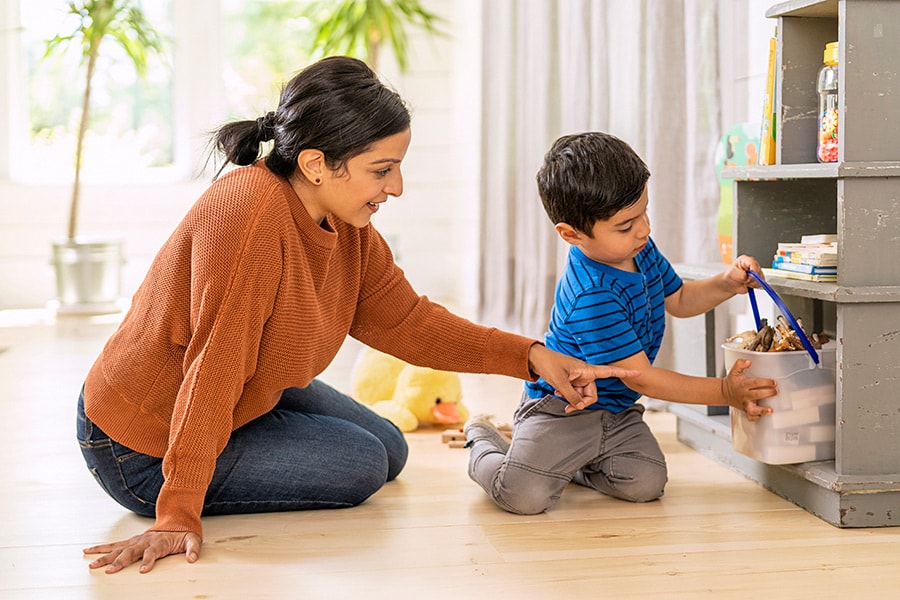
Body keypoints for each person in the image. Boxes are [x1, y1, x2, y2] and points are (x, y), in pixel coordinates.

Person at [76, 57, 638, 574]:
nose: (396, 187)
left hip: (241, 390)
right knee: (363, 463)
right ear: (318, 164)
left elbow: (407, 322)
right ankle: (184, 480)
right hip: (140, 440)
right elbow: (214, 366)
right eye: (382, 170)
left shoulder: (344, 221)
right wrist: (176, 512)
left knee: (390, 446)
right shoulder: (247, 220)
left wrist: (533, 356)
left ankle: (253, 434)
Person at [464, 131, 778, 516]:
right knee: (523, 495)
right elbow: (641, 377)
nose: (643, 229)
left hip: (617, 410)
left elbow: (679, 300)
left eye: (644, 212)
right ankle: (482, 439)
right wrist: (725, 392)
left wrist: (725, 284)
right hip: (562, 410)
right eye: (626, 225)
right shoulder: (591, 294)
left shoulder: (639, 249)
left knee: (646, 483)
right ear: (571, 234)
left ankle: (571, 465)